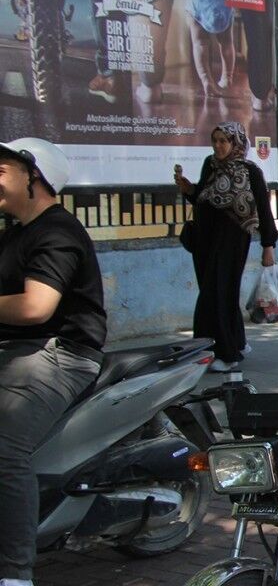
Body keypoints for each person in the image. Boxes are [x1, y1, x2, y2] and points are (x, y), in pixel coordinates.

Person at [0, 139, 106, 586]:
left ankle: (15, 573)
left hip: (61, 355)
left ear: (34, 177)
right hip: (17, 352)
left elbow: (34, 307)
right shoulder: (14, 233)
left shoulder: (57, 232)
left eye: (1, 170)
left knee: (5, 447)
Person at [175, 122, 277, 373]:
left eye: (224, 141)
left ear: (236, 142)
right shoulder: (210, 165)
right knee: (218, 294)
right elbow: (205, 197)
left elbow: (263, 210)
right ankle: (236, 341)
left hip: (232, 242)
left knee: (216, 295)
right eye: (215, 140)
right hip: (205, 241)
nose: (218, 146)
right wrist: (188, 190)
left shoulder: (249, 171)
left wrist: (268, 245)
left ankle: (224, 353)